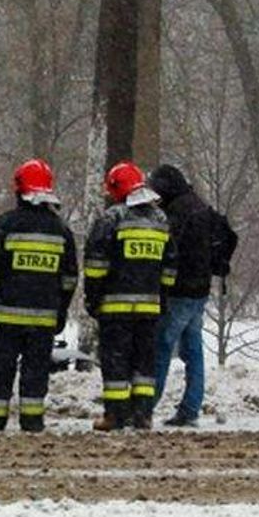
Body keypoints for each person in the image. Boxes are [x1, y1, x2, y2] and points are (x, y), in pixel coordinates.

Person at [0, 158, 78, 432]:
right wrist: (61, 309)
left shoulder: (6, 224)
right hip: (44, 319)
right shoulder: (61, 230)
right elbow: (69, 279)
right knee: (36, 370)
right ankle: (32, 420)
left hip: (7, 316)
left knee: (1, 368)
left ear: (19, 190)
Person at [84, 161, 176, 431]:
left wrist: (93, 297)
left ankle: (115, 415)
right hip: (149, 308)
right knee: (144, 362)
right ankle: (143, 414)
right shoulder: (160, 220)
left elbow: (96, 264)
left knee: (116, 361)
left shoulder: (112, 219)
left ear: (116, 189)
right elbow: (170, 266)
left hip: (115, 307)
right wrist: (162, 296)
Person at [146, 163, 213, 427]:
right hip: (201, 290)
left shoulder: (176, 213)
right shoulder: (200, 207)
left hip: (179, 290)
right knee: (193, 350)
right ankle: (191, 407)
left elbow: (169, 250)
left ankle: (147, 405)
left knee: (161, 346)